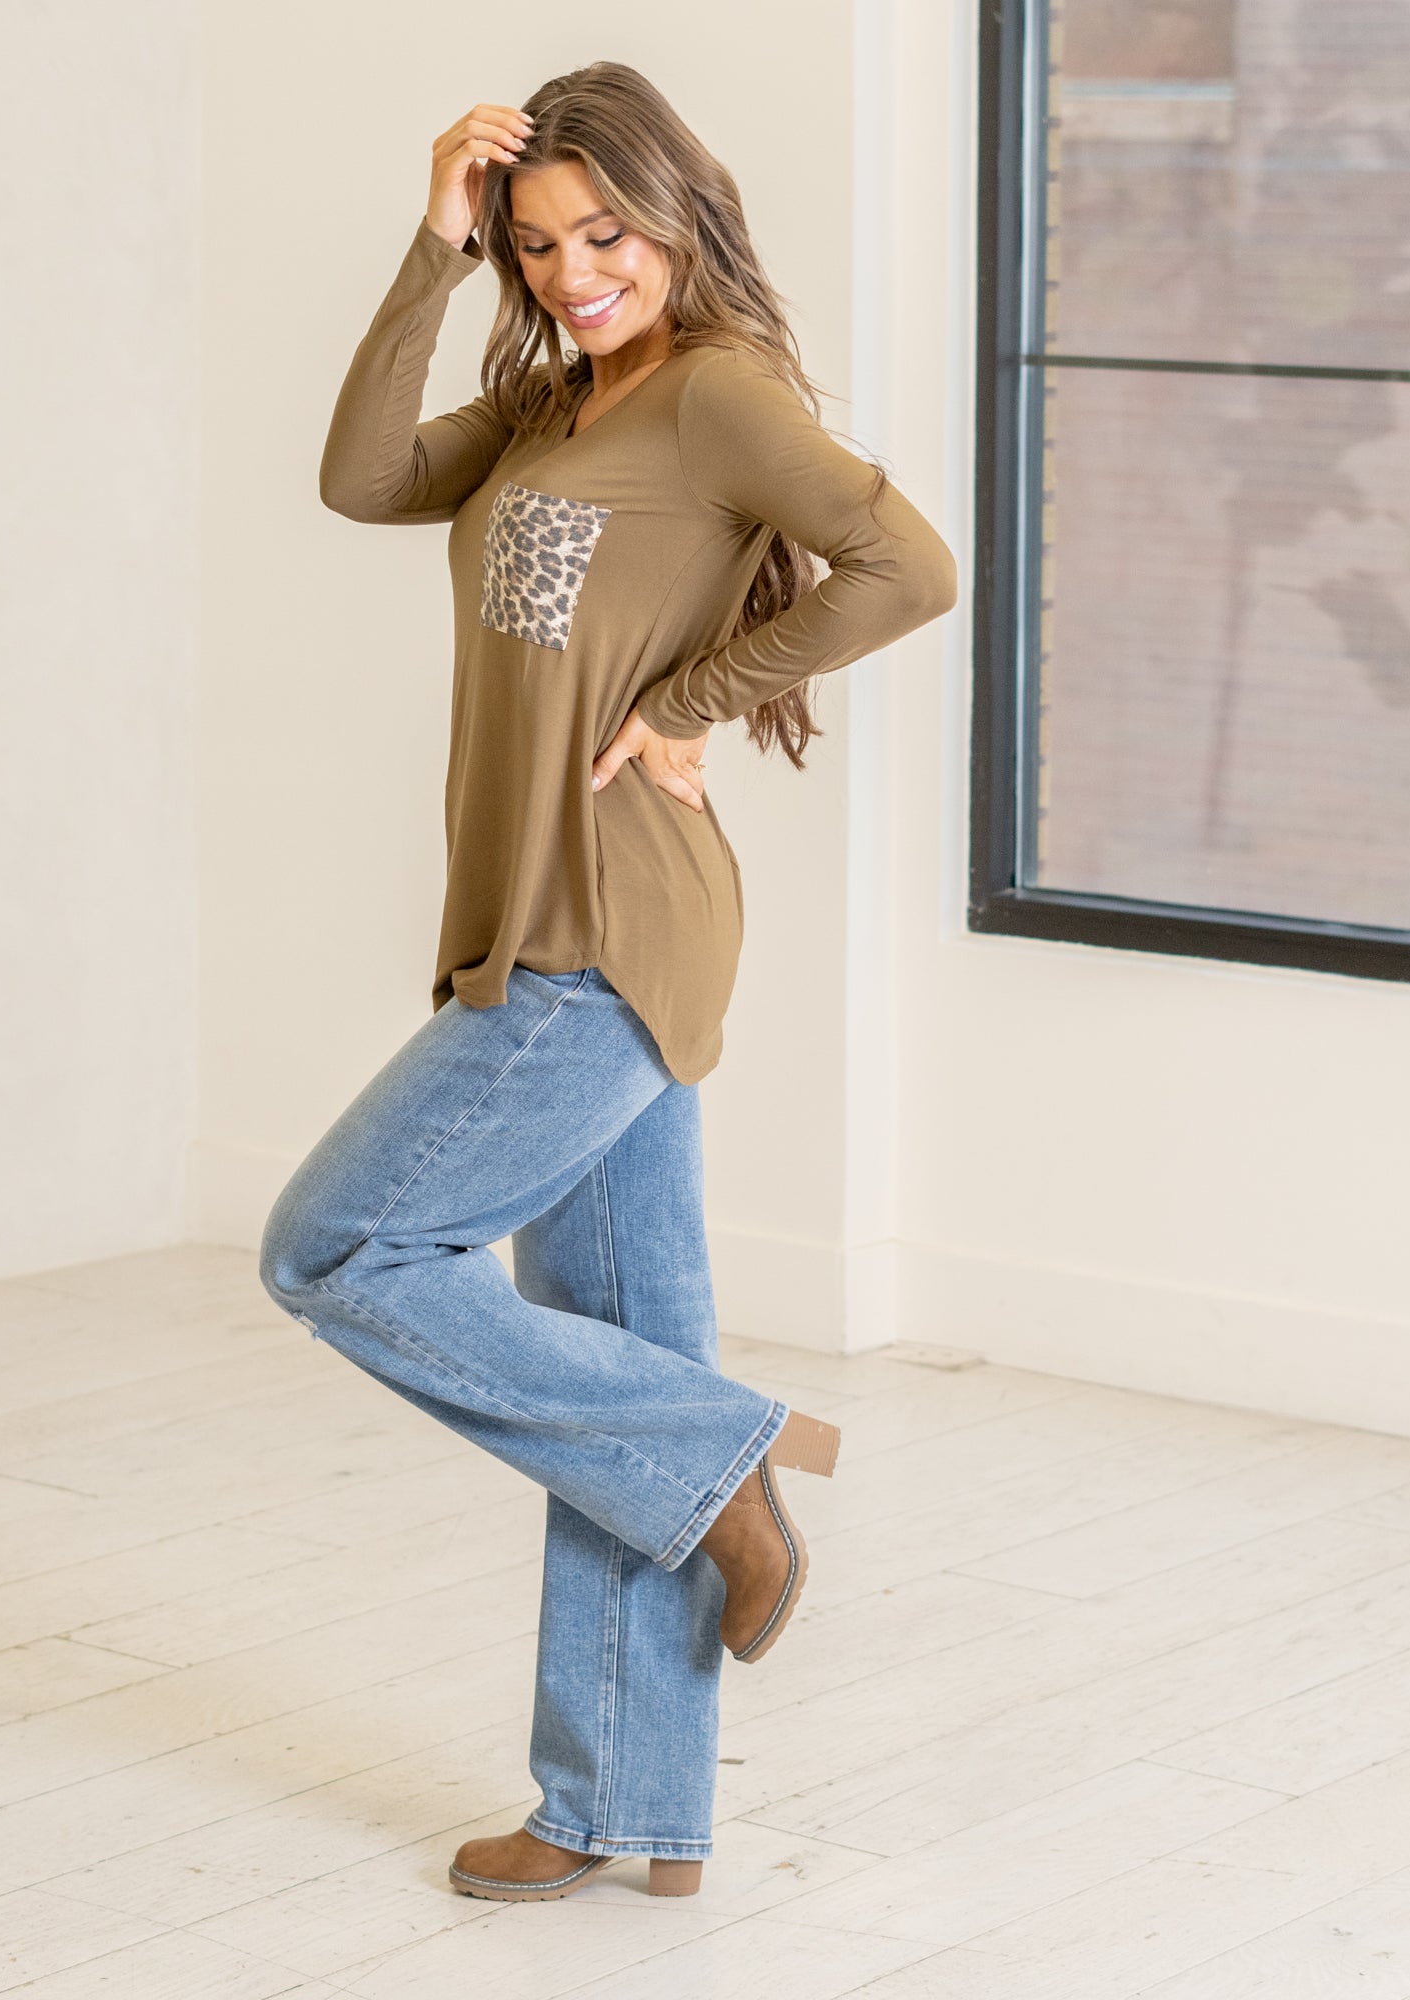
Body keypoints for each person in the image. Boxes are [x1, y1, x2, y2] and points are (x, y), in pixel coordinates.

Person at [260, 59, 956, 1903]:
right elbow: (358, 479)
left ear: (677, 215)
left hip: (609, 923)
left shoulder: (719, 395)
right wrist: (430, 248)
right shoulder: (549, 401)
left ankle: (723, 1466)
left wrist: (693, 702)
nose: (574, 274)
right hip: (530, 909)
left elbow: (910, 565)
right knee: (622, 1361)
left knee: (333, 1251)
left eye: (607, 236)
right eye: (537, 244)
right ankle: (618, 1808)